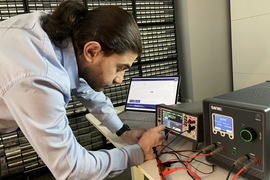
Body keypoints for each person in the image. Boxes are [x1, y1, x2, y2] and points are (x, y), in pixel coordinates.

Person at [0, 1, 165, 179]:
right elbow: (72, 169)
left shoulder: (59, 35)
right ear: (92, 51)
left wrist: (123, 131)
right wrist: (140, 152)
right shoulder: (38, 76)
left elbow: (87, 89)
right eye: (120, 68)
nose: (119, 80)